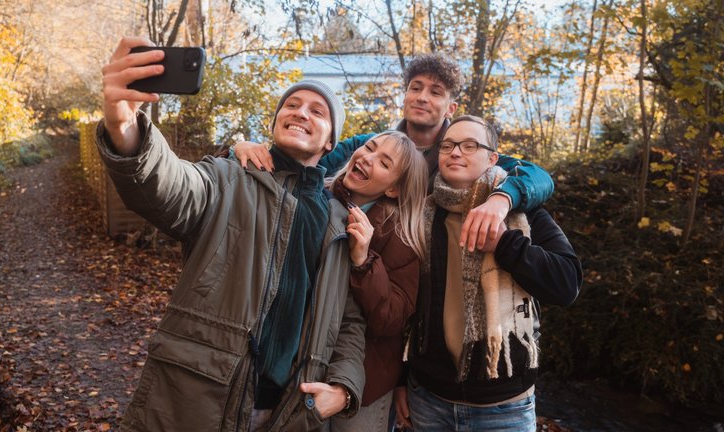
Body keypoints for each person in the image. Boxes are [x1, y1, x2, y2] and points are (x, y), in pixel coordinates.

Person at [97, 36, 365, 432]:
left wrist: (344, 387)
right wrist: (124, 123)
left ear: (330, 142)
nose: (301, 112)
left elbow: (349, 320)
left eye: (317, 111)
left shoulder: (340, 223)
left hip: (290, 413)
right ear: (275, 123)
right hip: (198, 400)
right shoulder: (227, 179)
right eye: (291, 105)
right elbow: (169, 186)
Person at [233, 53, 555, 254]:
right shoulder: (365, 147)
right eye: (415, 87)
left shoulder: (462, 157)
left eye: (435, 92)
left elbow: (538, 177)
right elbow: (306, 166)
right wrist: (250, 149)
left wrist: (502, 200)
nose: (422, 97)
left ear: (451, 108)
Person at [395, 115, 583, 431]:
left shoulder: (523, 213)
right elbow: (406, 308)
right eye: (449, 145)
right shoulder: (420, 213)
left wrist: (506, 244)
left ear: (492, 158)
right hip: (427, 398)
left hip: (504, 407)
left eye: (470, 145)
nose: (456, 152)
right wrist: (400, 380)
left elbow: (566, 284)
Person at [305, 131, 428, 432]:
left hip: (367, 379)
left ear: (394, 190)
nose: (367, 159)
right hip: (306, 364)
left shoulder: (401, 236)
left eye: (384, 163)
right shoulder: (317, 197)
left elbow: (391, 319)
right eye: (369, 148)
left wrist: (363, 261)